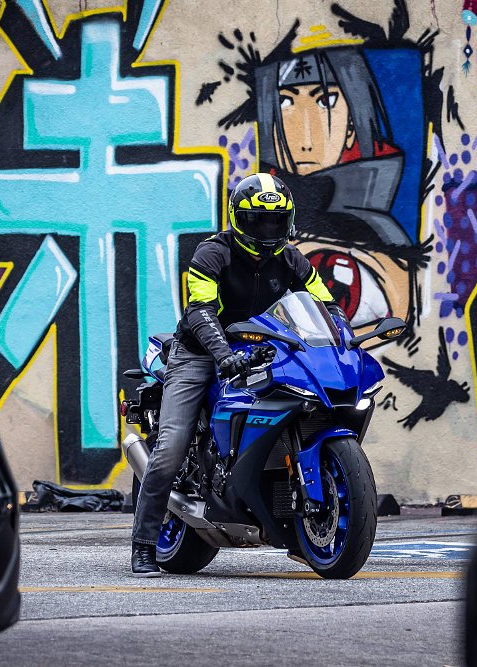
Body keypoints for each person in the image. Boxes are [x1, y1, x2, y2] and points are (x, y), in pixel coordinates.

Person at [131, 172, 347, 577]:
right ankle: (143, 544)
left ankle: (294, 524)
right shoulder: (212, 253)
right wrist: (223, 354)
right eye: (257, 220)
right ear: (237, 218)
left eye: (275, 220)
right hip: (199, 354)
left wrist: (341, 340)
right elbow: (200, 311)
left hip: (261, 350)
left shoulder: (292, 260)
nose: (267, 230)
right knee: (173, 445)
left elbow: (326, 307)